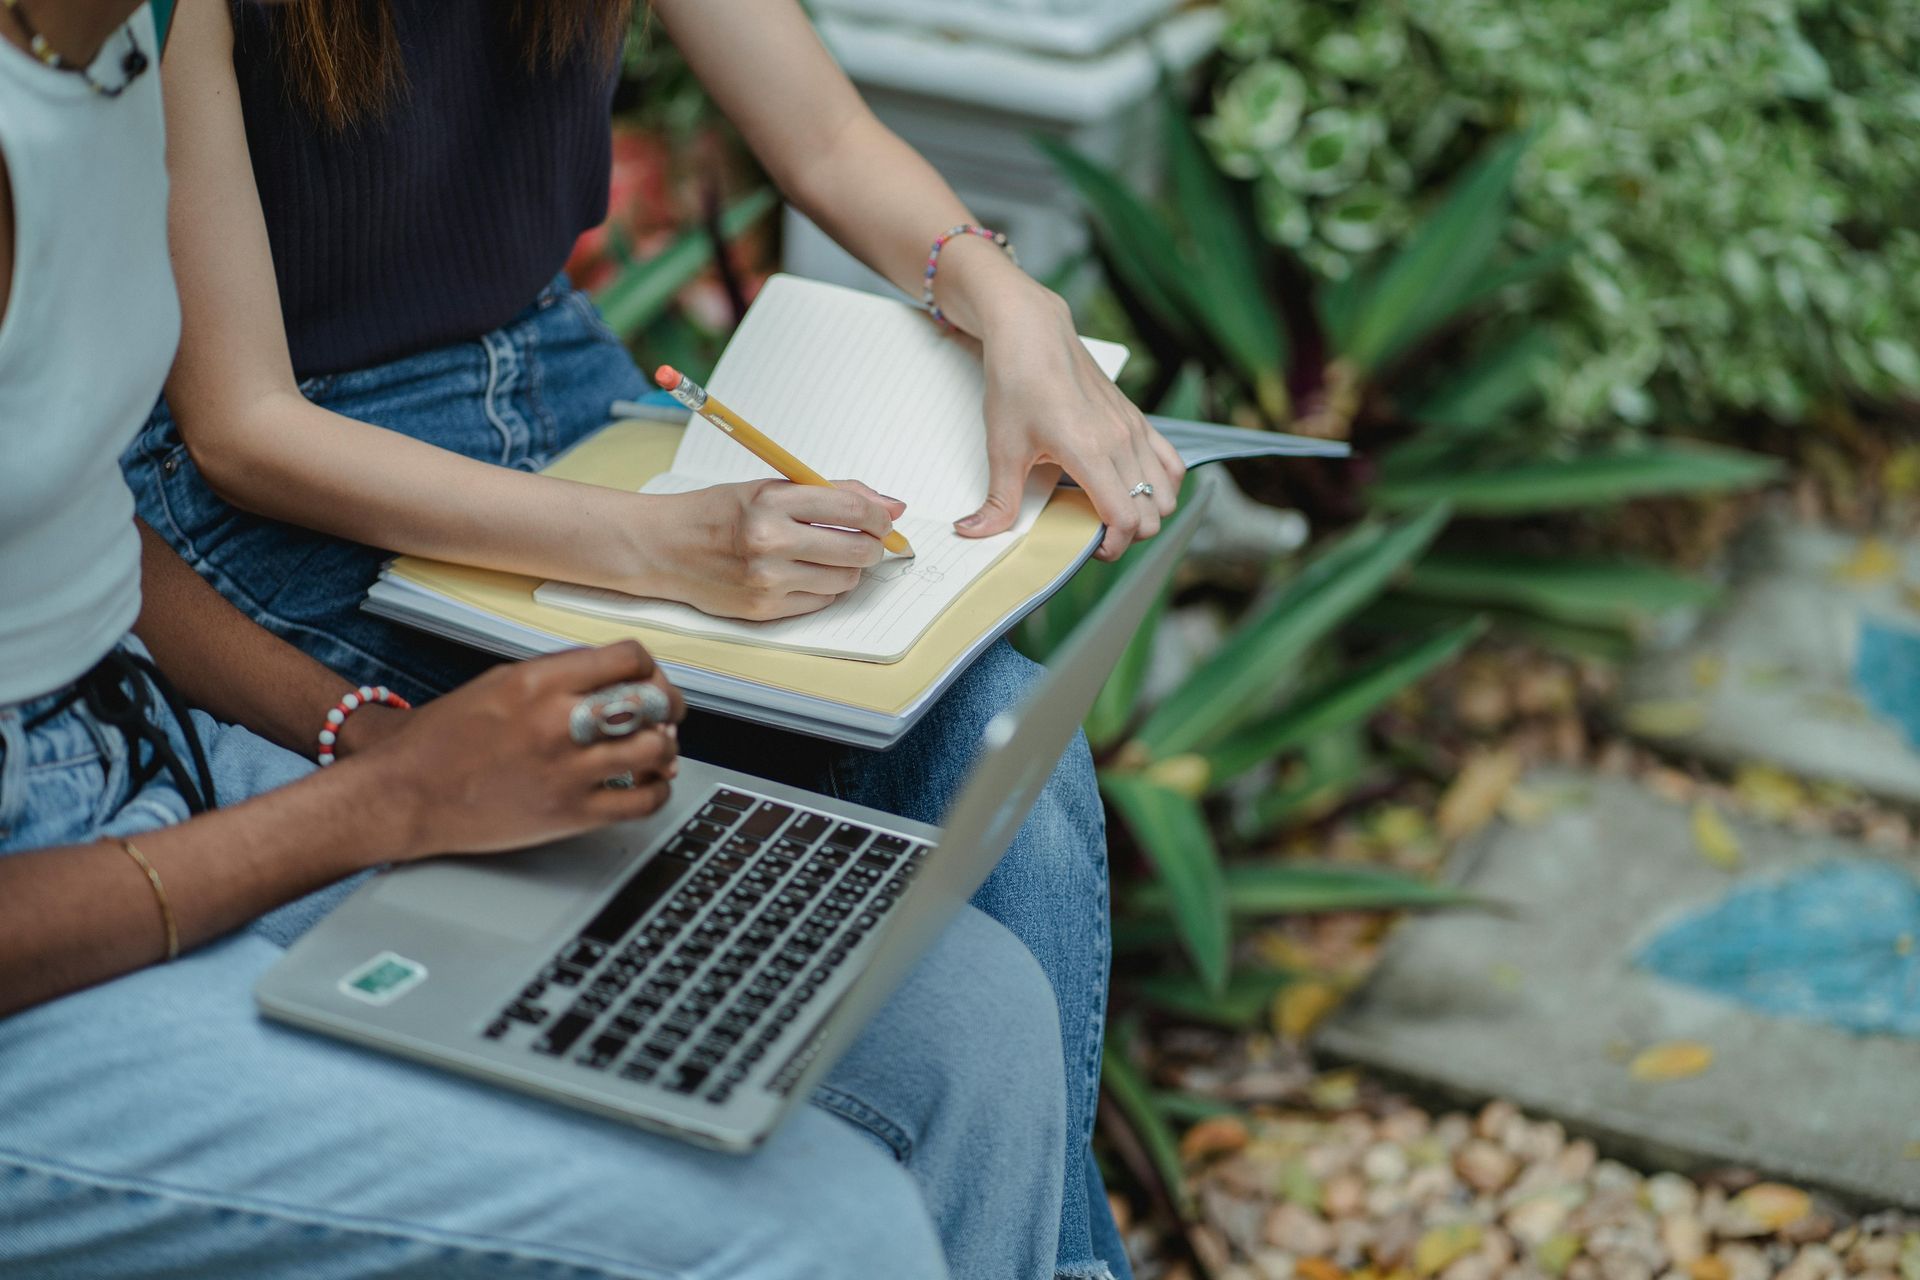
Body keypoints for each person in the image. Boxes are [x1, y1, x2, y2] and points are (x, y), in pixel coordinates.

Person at [0, 3, 1073, 1275]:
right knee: (825, 1221)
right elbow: (229, 433)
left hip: (148, 729)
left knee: (974, 1012)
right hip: (76, 862)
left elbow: (83, 535)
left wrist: (349, 731)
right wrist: (378, 803)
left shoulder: (103, 53)